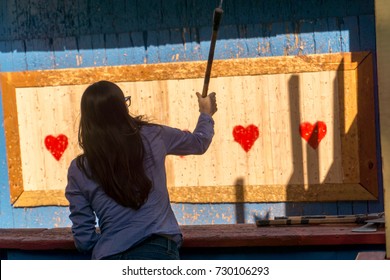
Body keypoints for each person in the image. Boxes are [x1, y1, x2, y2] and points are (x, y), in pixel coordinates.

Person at [65, 80, 217, 260]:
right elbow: (198, 143)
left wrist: (112, 243)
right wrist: (206, 113)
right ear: (123, 109)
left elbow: (84, 240)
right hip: (157, 250)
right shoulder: (153, 136)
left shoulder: (79, 168)